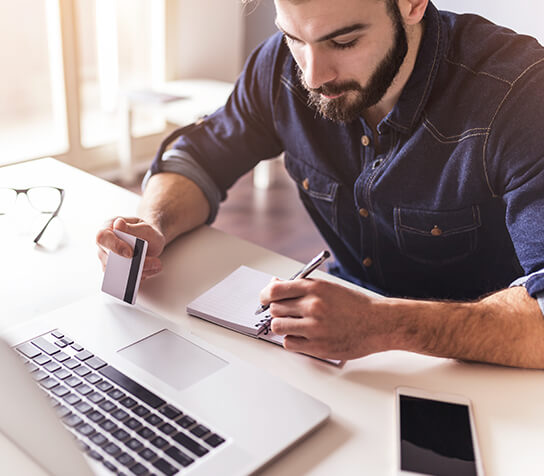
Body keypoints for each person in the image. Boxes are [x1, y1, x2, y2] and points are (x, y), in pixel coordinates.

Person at [96, 0, 544, 368]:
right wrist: (154, 223)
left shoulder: (520, 94)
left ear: (411, 4)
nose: (312, 76)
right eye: (294, 38)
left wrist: (384, 324)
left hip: (488, 369)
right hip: (340, 356)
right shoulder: (279, 68)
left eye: (344, 41)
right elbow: (198, 156)